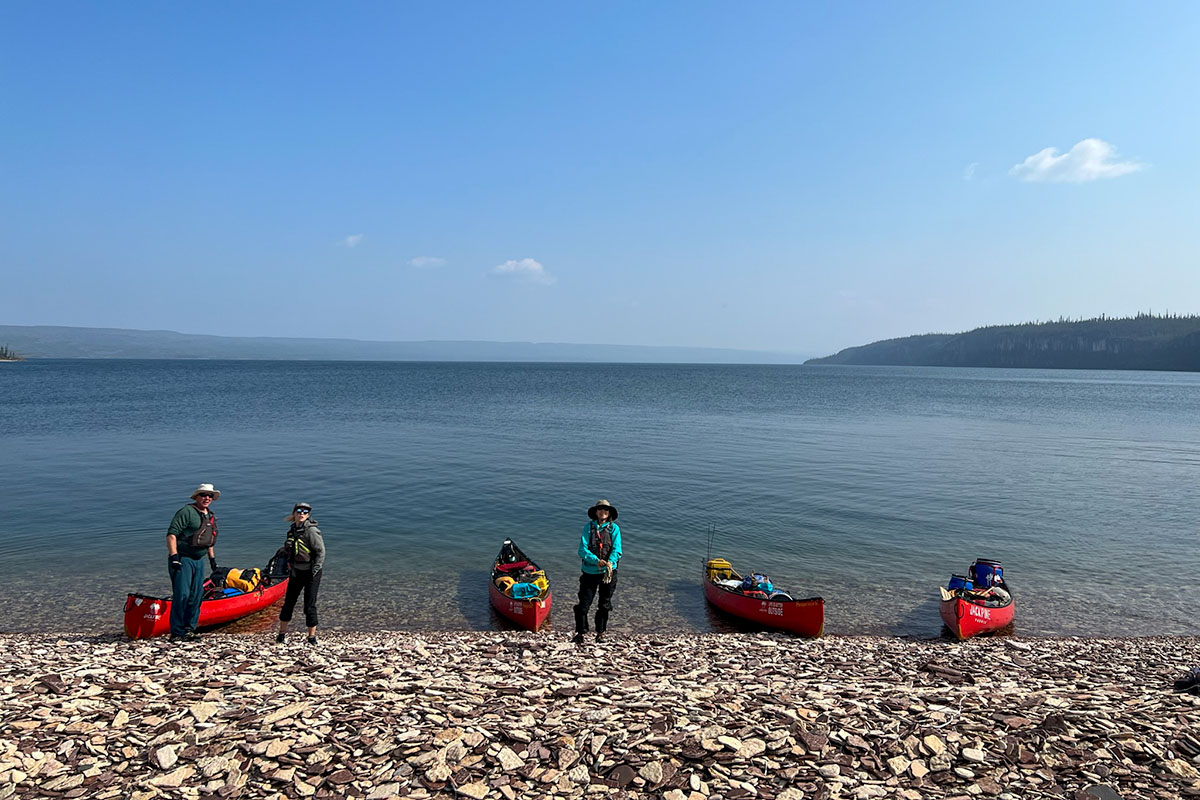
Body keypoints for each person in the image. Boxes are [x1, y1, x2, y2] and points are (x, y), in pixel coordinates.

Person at [165, 483, 221, 641]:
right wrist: (174, 556)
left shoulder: (209, 515)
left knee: (196, 596)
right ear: (196, 496)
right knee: (182, 595)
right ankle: (176, 632)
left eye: (210, 496)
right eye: (203, 495)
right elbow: (171, 534)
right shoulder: (187, 512)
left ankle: (190, 629)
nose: (207, 498)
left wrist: (212, 560)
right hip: (183, 559)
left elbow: (208, 540)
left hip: (199, 560)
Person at [573, 499, 622, 644]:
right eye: (600, 509)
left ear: (609, 513)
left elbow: (617, 550)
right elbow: (582, 550)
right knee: (583, 605)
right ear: (595, 512)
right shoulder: (588, 528)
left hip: (608, 573)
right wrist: (596, 560)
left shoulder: (614, 529)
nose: (603, 512)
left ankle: (600, 633)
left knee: (604, 605)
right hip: (589, 572)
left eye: (606, 510)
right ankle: (581, 633)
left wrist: (609, 563)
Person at [276, 502, 325, 645]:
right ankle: (281, 634)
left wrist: (315, 570)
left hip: (311, 573)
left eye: (305, 512)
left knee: (309, 605)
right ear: (294, 514)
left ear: (308, 515)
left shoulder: (311, 531)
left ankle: (311, 637)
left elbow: (320, 552)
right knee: (288, 603)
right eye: (299, 511)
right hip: (296, 572)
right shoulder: (292, 530)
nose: (301, 514)